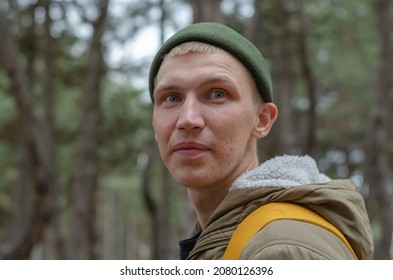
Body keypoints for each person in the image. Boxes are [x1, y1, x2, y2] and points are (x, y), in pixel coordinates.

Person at [148, 22, 374, 260]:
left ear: (262, 120)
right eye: (171, 98)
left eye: (217, 94)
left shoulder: (281, 250)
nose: (188, 119)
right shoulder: (220, 238)